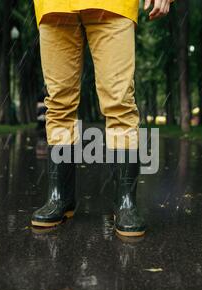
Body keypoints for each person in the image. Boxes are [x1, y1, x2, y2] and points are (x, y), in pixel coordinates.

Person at [32, 0, 173, 237]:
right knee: (58, 103)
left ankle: (125, 202)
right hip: (53, 5)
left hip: (113, 4)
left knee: (120, 102)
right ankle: (60, 197)